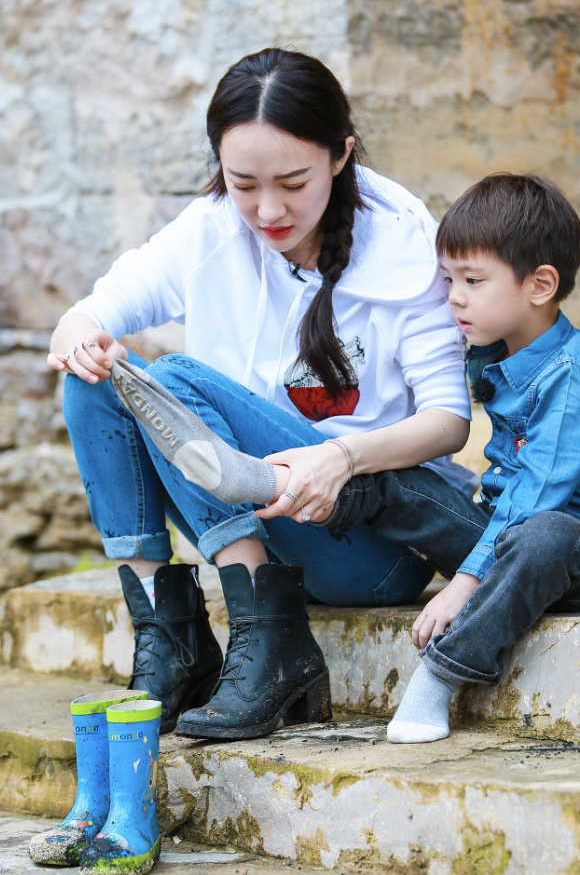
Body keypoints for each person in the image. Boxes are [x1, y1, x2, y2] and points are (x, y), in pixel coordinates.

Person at [47, 48, 476, 740]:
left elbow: (448, 422)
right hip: (258, 522)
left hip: (366, 542)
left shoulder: (405, 247)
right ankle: (172, 634)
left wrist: (340, 457)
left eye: (292, 181)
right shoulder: (210, 229)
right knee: (97, 378)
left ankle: (270, 639)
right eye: (243, 183)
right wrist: (78, 333)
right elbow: (99, 309)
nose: (267, 209)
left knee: (176, 381)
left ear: (341, 155)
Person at [311, 173, 580, 744]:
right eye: (449, 278)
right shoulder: (493, 352)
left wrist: (464, 583)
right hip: (503, 538)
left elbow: (536, 501)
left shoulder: (576, 376)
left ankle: (441, 676)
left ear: (540, 284)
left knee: (544, 532)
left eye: (473, 280)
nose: (453, 296)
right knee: (401, 472)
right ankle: (301, 513)